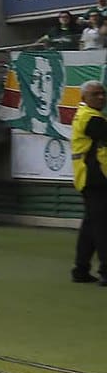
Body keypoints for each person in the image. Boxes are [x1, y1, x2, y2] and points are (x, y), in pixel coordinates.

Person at [72, 81, 107, 282]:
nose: (101, 97)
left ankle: (81, 269)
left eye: (103, 93)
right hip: (95, 177)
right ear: (84, 98)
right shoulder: (90, 117)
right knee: (102, 226)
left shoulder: (89, 115)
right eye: (96, 94)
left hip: (91, 177)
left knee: (92, 225)